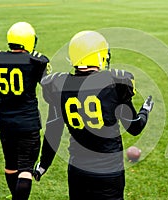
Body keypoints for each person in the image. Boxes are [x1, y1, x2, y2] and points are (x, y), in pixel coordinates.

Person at [33, 30, 154, 200]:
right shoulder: (115, 83)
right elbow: (134, 127)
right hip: (108, 171)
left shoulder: (59, 85)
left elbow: (54, 130)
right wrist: (145, 111)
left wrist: (44, 164)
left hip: (77, 170)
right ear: (99, 55)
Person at [0, 22, 51, 199]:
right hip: (28, 122)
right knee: (26, 168)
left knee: (11, 166)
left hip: (5, 123)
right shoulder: (36, 62)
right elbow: (50, 90)